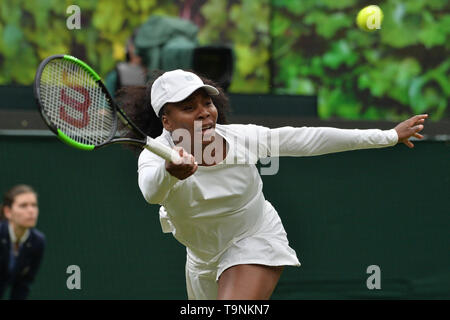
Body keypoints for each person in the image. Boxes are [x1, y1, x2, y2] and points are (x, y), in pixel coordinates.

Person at [116, 69, 427, 300]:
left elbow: (308, 138)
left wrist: (387, 136)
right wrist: (170, 171)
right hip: (200, 259)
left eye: (206, 102)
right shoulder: (154, 155)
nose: (205, 113)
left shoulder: (243, 138)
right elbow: (151, 192)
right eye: (189, 107)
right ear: (166, 122)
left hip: (253, 237)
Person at [0, 185, 46, 300]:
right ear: (8, 212)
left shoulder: (38, 242)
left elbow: (23, 284)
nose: (31, 211)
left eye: (34, 205)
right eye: (23, 206)